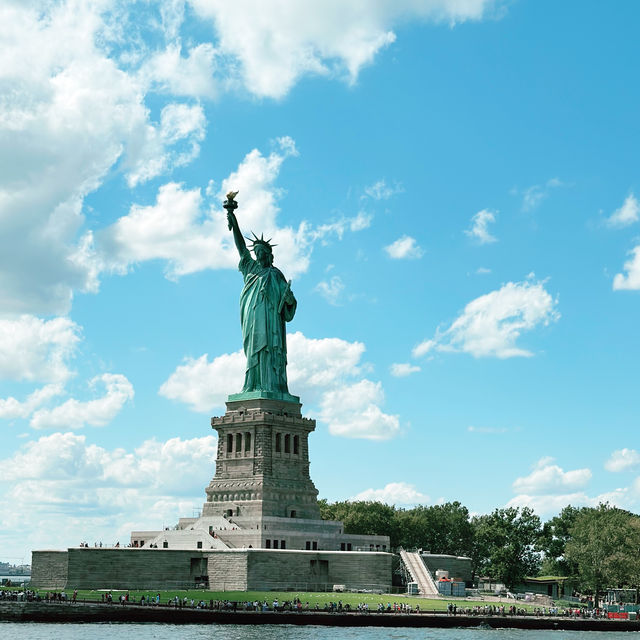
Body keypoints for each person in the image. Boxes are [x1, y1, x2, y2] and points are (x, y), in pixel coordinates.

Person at [226, 203, 296, 395]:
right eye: (257, 254)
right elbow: (241, 248)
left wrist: (288, 299)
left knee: (270, 353)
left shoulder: (275, 275)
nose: (259, 256)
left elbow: (289, 304)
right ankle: (252, 385)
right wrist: (234, 221)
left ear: (270, 256)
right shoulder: (251, 269)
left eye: (262, 254)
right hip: (253, 321)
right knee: (253, 352)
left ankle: (272, 387)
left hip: (271, 323)